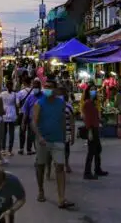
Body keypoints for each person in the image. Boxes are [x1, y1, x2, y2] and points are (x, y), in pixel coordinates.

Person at [31, 80, 74, 209]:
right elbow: (34, 122)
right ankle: (40, 190)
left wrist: (65, 136)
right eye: (46, 87)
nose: (47, 89)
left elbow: (62, 120)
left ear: (55, 89)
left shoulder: (61, 103)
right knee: (40, 166)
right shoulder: (39, 103)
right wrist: (39, 137)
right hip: (43, 141)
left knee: (60, 168)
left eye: (50, 87)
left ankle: (61, 198)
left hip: (58, 140)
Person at [46, 86, 75, 178]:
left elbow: (72, 122)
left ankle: (65, 164)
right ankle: (49, 170)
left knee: (65, 150)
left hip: (65, 133)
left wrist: (73, 135)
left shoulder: (68, 106)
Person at [81, 83, 107, 180]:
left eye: (95, 89)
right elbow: (87, 119)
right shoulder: (87, 103)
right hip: (91, 129)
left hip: (95, 128)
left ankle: (97, 169)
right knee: (91, 151)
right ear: (88, 92)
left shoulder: (93, 103)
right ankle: (87, 172)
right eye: (91, 89)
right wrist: (90, 131)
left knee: (97, 150)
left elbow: (94, 116)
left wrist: (100, 121)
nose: (94, 91)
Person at [19, 79, 42, 155]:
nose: (35, 88)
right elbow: (25, 110)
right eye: (34, 86)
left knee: (35, 136)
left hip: (42, 120)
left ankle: (34, 150)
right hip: (31, 119)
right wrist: (23, 122)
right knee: (30, 134)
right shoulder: (30, 97)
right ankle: (28, 149)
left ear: (40, 87)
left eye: (37, 86)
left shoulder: (44, 97)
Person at [0, 80, 18, 155]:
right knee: (11, 133)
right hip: (12, 113)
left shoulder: (2, 94)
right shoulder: (15, 94)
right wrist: (17, 114)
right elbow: (17, 105)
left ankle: (3, 149)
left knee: (4, 132)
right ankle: (10, 150)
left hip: (4, 113)